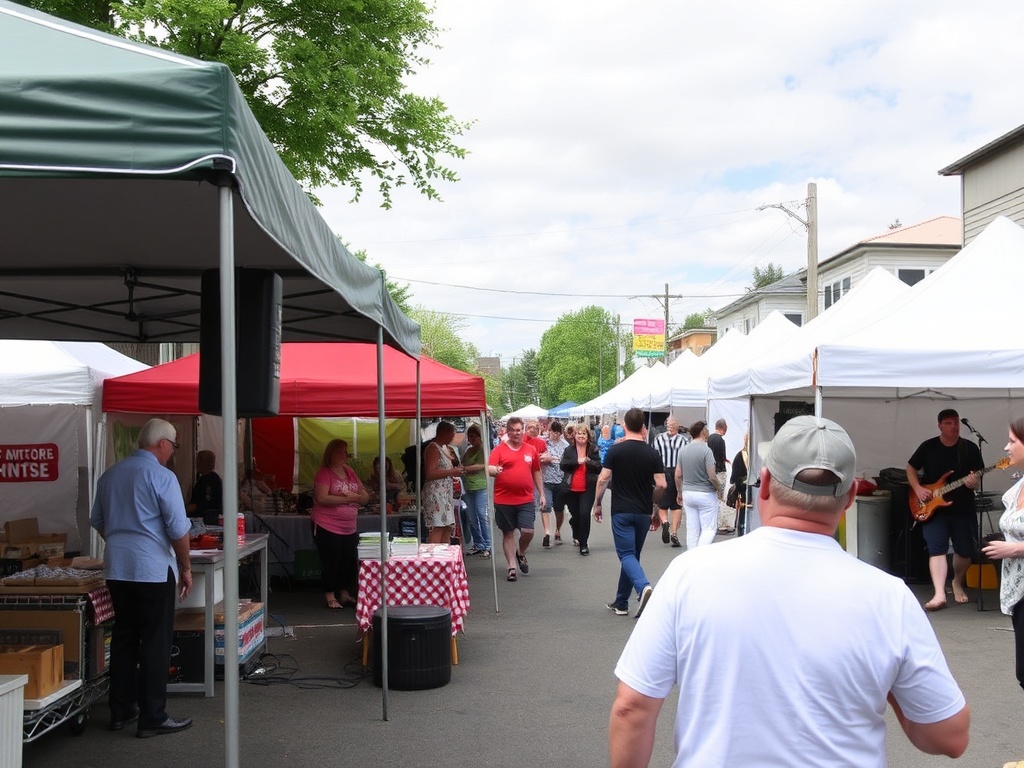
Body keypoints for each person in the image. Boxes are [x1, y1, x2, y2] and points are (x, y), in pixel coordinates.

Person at [609, 415, 970, 767]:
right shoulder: (890, 599)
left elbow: (632, 707)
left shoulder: (689, 573)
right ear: (849, 498)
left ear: (764, 484)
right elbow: (948, 736)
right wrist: (891, 691)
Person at [90, 418, 194, 738]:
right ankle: (153, 715)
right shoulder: (162, 477)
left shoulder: (110, 475)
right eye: (173, 447)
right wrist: (186, 566)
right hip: (152, 570)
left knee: (123, 638)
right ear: (162, 444)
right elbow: (178, 530)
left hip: (118, 569)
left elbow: (97, 520)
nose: (172, 453)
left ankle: (120, 711)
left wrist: (121, 541)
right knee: (154, 641)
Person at [906, 408, 982, 611]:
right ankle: (939, 593)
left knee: (965, 551)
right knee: (936, 549)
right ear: (940, 425)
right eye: (948, 423)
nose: (954, 426)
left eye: (956, 422)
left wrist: (973, 483)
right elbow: (910, 468)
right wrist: (918, 489)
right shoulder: (928, 447)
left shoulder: (970, 448)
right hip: (934, 509)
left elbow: (977, 479)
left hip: (962, 508)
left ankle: (957, 581)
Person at [593, 407, 666, 618]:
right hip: (643, 511)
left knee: (626, 555)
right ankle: (621, 602)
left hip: (622, 510)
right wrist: (654, 507)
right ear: (643, 427)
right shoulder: (652, 453)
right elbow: (661, 485)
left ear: (624, 426)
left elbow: (603, 479)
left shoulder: (616, 450)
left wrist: (597, 503)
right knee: (632, 555)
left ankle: (643, 587)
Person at [982, 416, 1024, 692]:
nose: (1006, 448)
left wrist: (1016, 549)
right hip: (1017, 592)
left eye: (1012, 441)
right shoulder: (1017, 488)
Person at [312, 439, 369, 610]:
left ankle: (344, 593)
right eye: (340, 451)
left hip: (349, 527)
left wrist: (362, 497)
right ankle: (330, 595)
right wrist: (350, 498)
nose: (344, 455)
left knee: (348, 561)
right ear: (331, 453)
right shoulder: (324, 473)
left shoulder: (350, 471)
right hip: (327, 525)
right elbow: (322, 497)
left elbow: (363, 493)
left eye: (346, 451)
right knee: (331, 561)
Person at [488, 416, 545, 582]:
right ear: (507, 431)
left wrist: (541, 493)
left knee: (528, 531)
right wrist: (493, 470)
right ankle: (512, 567)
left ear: (523, 430)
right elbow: (490, 467)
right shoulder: (499, 450)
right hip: (503, 499)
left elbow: (536, 471)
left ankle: (520, 552)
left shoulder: (530, 450)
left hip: (526, 498)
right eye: (512, 430)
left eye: (518, 430)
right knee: (508, 533)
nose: (515, 433)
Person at [675, 420, 720, 549]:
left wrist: (679, 492)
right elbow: (712, 476)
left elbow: (678, 474)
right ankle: (699, 554)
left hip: (688, 492)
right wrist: (719, 489)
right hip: (706, 493)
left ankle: (691, 556)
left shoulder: (683, 450)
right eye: (706, 430)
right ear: (702, 432)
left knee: (692, 529)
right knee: (709, 528)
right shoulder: (706, 451)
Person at [559, 423, 602, 555]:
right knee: (576, 516)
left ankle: (584, 544)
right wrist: (577, 461)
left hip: (587, 488)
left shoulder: (593, 449)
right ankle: (575, 526)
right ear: (575, 435)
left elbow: (599, 467)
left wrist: (588, 461)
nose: (581, 436)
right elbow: (563, 465)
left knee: (584, 514)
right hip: (571, 488)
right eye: (579, 433)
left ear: (588, 436)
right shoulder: (569, 450)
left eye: (584, 433)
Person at [423, 421, 465, 544]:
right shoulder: (433, 448)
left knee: (447, 526)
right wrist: (452, 471)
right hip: (436, 495)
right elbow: (430, 473)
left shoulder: (444, 448)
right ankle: (435, 556)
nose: (453, 437)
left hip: (444, 495)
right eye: (451, 434)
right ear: (443, 432)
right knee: (438, 525)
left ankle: (444, 556)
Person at [652, 418, 687, 547]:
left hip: (662, 472)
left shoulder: (658, 439)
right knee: (677, 504)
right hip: (677, 472)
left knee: (662, 504)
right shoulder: (684, 441)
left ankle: (665, 521)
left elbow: (654, 456)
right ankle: (674, 533)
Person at [461, 424, 491, 558]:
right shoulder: (468, 450)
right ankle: (478, 543)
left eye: (473, 436)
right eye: (469, 436)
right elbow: (462, 463)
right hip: (468, 486)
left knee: (481, 515)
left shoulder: (484, 450)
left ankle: (488, 545)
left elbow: (482, 465)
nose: (470, 439)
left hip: (480, 486)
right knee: (471, 517)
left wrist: (466, 469)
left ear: (479, 436)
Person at [541, 421, 570, 547]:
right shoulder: (544, 443)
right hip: (546, 479)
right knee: (545, 506)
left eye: (557, 431)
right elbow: (540, 457)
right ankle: (547, 533)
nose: (554, 434)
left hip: (560, 480)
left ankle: (557, 530)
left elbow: (566, 461)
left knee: (559, 508)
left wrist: (552, 459)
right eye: (552, 431)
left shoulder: (565, 445)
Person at [721, 432, 749, 534]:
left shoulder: (740, 456)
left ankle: (742, 531)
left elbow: (733, 479)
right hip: (758, 492)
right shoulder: (759, 455)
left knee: (742, 515)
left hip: (743, 492)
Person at [186, 449, 222, 525]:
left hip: (207, 519)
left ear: (204, 463)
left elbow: (210, 501)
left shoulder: (213, 480)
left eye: (199, 461)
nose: (196, 464)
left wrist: (195, 506)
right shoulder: (202, 479)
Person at [707, 417, 730, 530]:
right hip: (720, 471)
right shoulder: (721, 441)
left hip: (710, 471)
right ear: (723, 427)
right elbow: (722, 456)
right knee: (720, 497)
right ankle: (720, 523)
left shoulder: (709, 438)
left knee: (711, 497)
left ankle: (711, 521)